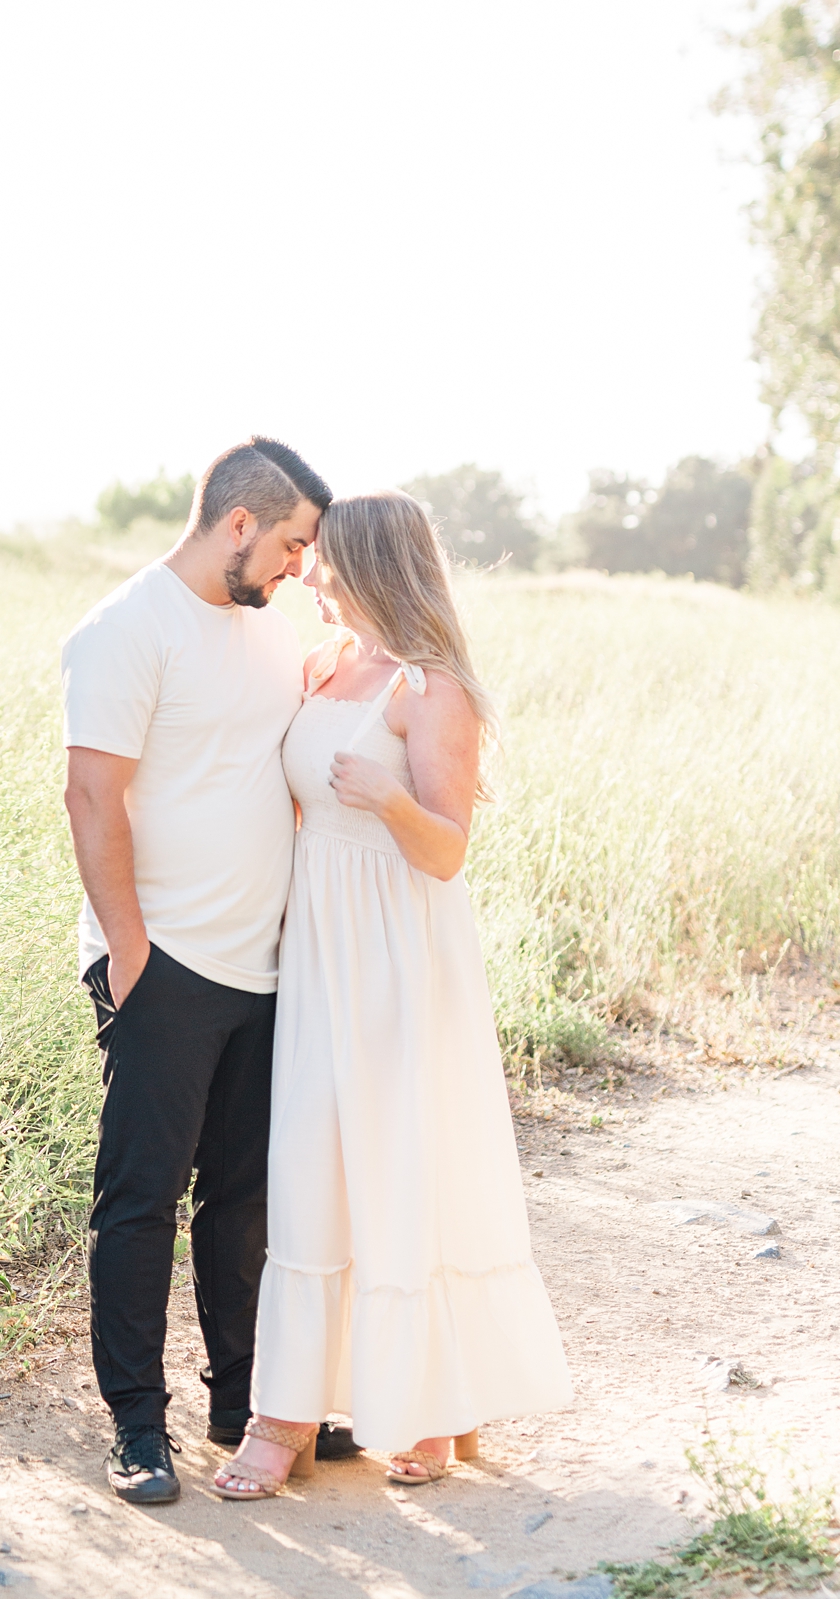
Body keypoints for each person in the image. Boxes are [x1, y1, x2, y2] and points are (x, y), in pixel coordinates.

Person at [215, 491, 572, 1500]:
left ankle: (429, 1406)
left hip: (401, 954)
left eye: (325, 560)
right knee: (313, 1165)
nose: (309, 574)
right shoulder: (322, 667)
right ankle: (286, 1412)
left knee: (403, 1160)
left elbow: (448, 852)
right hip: (318, 943)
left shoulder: (431, 688)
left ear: (370, 567)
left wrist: (387, 798)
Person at [60, 435, 333, 1506]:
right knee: (140, 1201)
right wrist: (131, 952)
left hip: (268, 969)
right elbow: (93, 796)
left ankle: (241, 1406)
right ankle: (136, 1425)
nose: (298, 567)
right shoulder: (125, 629)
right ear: (238, 525)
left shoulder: (278, 624)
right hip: (164, 962)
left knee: (245, 1201)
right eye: (291, 544)